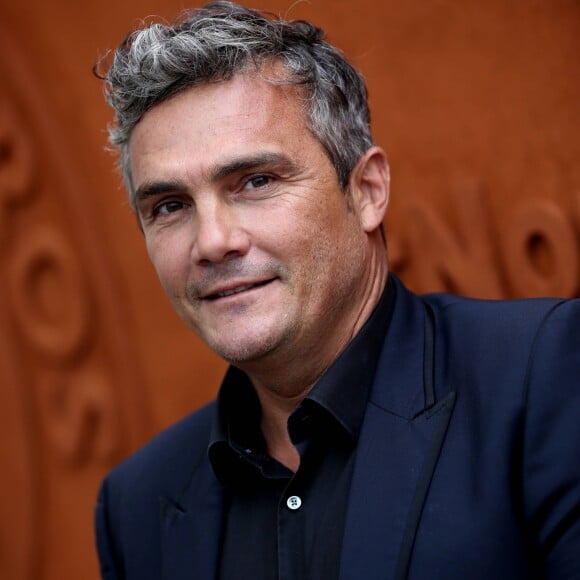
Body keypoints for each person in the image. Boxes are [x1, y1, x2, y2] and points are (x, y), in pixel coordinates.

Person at [94, 2, 580, 579]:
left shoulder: (545, 378)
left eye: (255, 181)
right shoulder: (136, 507)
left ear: (368, 191)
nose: (212, 241)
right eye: (170, 206)